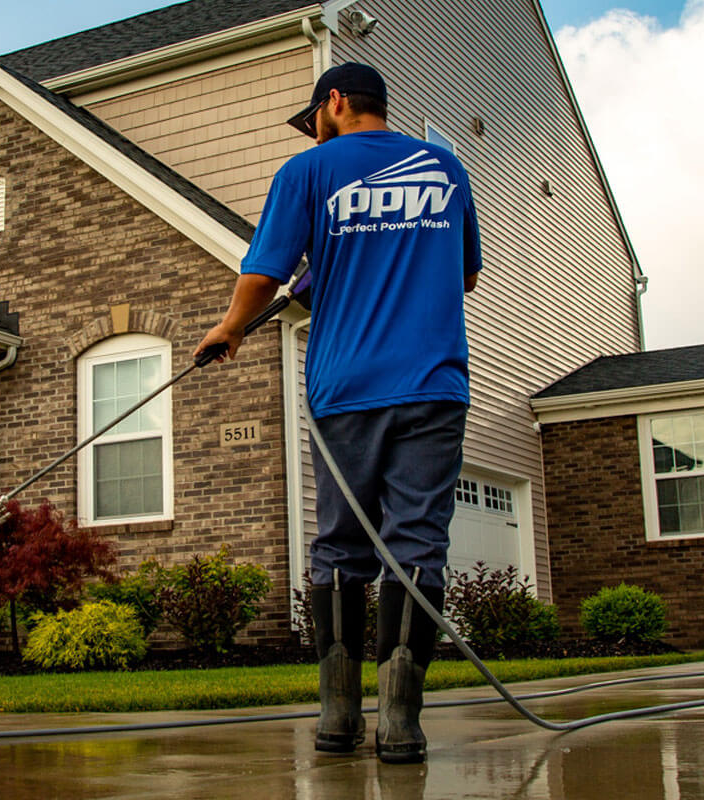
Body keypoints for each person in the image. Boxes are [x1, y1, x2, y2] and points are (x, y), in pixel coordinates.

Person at [194, 62, 481, 764]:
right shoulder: (445, 168)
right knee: (417, 543)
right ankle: (402, 725)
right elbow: (464, 271)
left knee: (341, 544)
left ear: (335, 102)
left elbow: (263, 272)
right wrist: (347, 273)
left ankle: (337, 717)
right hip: (433, 386)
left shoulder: (310, 169)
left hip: (346, 389)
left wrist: (231, 326)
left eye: (315, 114)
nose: (312, 127)